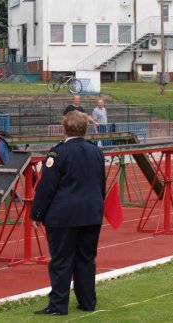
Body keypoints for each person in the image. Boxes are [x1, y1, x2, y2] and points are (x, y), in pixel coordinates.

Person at [31, 111, 106, 316]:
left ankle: (58, 305)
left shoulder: (58, 153)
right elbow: (101, 184)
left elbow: (47, 186)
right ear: (86, 128)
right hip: (91, 212)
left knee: (61, 261)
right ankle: (87, 302)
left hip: (63, 215)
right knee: (86, 259)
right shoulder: (96, 152)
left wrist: (37, 213)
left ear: (64, 128)